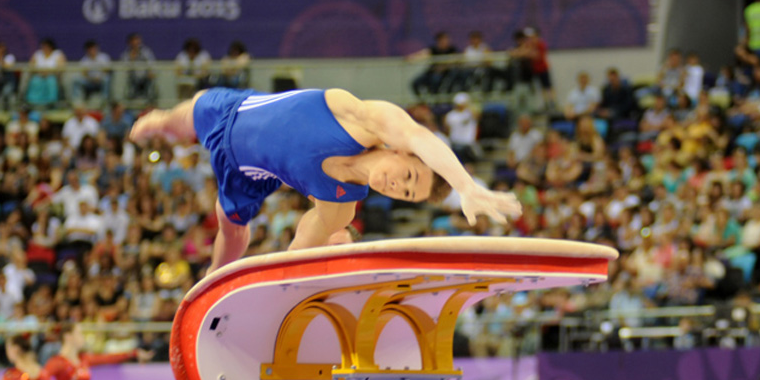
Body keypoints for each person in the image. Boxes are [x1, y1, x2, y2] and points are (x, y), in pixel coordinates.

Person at [129, 87, 521, 272]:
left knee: (231, 230)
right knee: (175, 123)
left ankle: (210, 283)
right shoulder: (362, 117)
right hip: (233, 112)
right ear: (401, 151)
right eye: (408, 176)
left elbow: (297, 253)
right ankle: (160, 122)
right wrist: (466, 185)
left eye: (406, 193)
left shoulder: (340, 207)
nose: (396, 187)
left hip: (248, 172)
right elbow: (420, 134)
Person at [43, 322, 152, 380]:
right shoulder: (57, 362)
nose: (83, 337)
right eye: (79, 333)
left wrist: (134, 353)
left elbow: (108, 358)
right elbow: (40, 379)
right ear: (68, 336)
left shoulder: (84, 359)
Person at [122, 32, 157, 101]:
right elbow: (125, 68)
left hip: (146, 77)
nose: (136, 43)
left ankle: (150, 102)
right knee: (129, 84)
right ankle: (131, 102)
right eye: (133, 41)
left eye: (137, 40)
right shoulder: (126, 54)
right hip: (132, 78)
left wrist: (151, 72)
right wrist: (132, 58)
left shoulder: (146, 52)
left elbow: (151, 63)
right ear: (130, 43)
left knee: (152, 81)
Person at [74, 39, 111, 104]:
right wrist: (91, 79)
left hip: (101, 80)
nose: (92, 51)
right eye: (90, 49)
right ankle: (77, 102)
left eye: (93, 48)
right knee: (76, 80)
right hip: (90, 82)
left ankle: (105, 101)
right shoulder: (84, 60)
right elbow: (83, 73)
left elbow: (107, 71)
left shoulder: (104, 57)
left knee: (106, 79)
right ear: (87, 50)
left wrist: (99, 77)